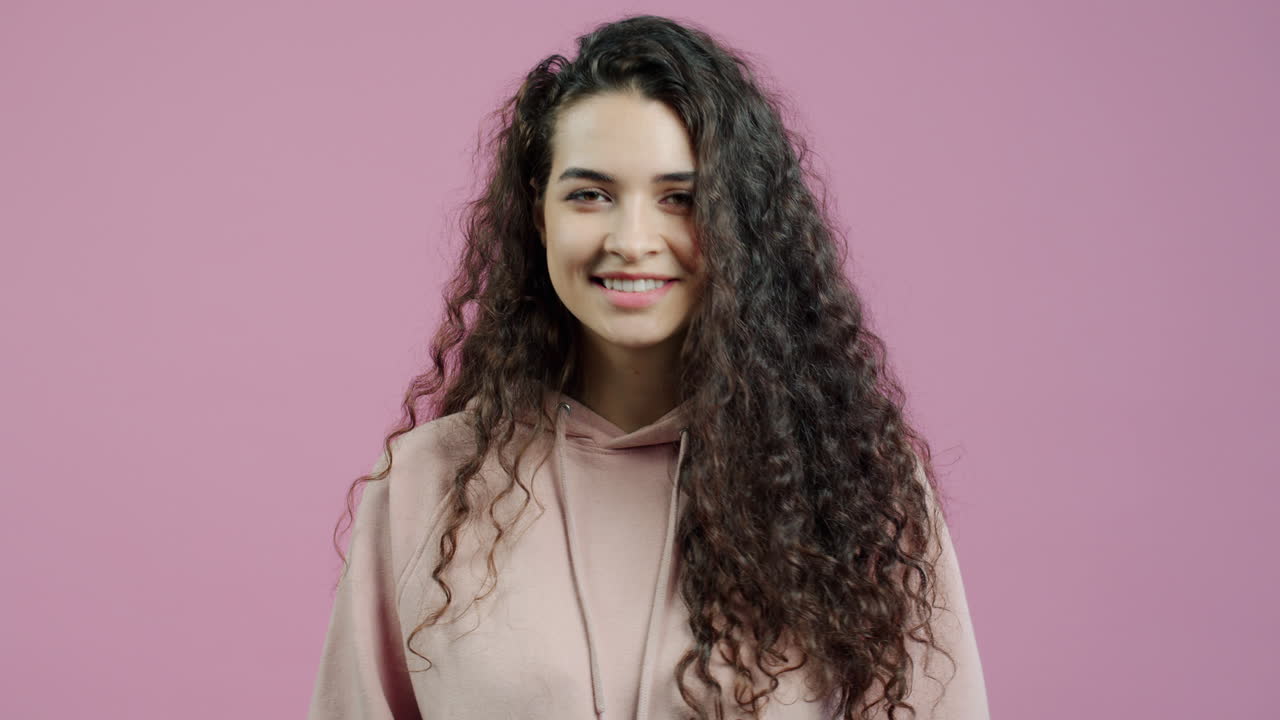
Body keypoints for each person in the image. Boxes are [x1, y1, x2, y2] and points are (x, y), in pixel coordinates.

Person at [307, 13, 990, 720]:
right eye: (590, 195)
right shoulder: (425, 483)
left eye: (681, 200)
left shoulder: (856, 486)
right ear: (539, 215)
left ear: (741, 224)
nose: (633, 241)